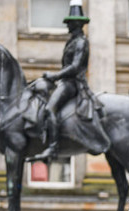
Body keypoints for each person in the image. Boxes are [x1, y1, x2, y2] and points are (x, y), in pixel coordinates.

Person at [29, 0, 97, 162]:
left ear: (76, 24)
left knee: (49, 109)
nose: (67, 26)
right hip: (65, 82)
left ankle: (52, 148)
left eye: (69, 23)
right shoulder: (73, 41)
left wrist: (55, 75)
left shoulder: (81, 42)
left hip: (73, 84)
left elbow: (74, 67)